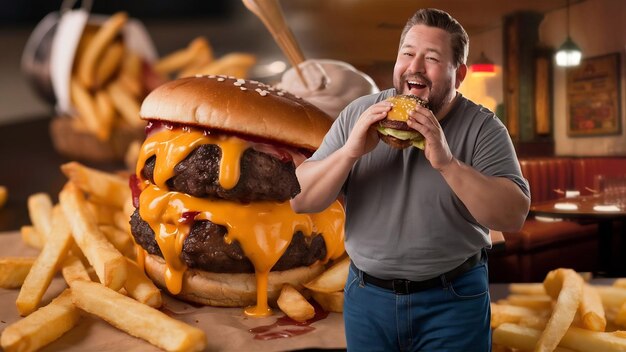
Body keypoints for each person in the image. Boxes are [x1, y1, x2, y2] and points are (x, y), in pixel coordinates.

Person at [290, 8, 531, 352]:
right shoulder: (358, 114)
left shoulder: (483, 127)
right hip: (366, 298)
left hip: (453, 299)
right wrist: (350, 152)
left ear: (458, 74)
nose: (415, 67)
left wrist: (447, 163)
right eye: (407, 54)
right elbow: (301, 199)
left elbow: (513, 216)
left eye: (431, 58)